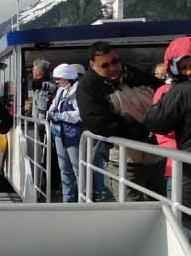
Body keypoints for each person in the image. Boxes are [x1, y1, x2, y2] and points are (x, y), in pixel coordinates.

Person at [76, 41, 164, 201]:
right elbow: (98, 123)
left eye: (116, 61)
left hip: (156, 157)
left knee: (161, 208)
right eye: (105, 65)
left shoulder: (135, 74)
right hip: (125, 161)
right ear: (93, 65)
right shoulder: (88, 87)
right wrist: (142, 132)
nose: (113, 67)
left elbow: (163, 93)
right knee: (130, 210)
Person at [145, 37, 191, 219]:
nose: (188, 72)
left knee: (182, 220)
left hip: (182, 166)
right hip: (179, 162)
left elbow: (157, 122)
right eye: (184, 67)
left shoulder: (178, 91)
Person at [46, 64, 84, 202]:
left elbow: (80, 114)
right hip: (60, 134)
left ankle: (82, 201)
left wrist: (61, 116)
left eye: (59, 78)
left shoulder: (78, 91)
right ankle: (67, 200)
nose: (57, 81)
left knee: (78, 169)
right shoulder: (61, 90)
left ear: (68, 77)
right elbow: (53, 106)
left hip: (73, 135)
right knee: (65, 169)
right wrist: (50, 113)